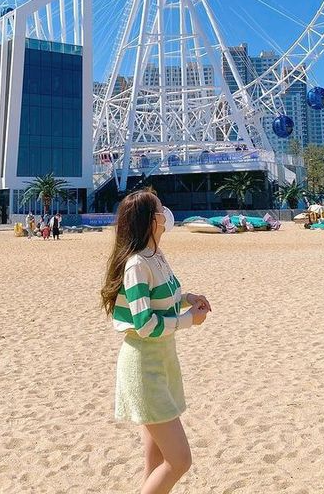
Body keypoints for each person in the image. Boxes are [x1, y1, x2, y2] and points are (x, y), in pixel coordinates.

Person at [100, 190, 211, 493]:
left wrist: (189, 297)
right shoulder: (137, 265)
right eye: (161, 210)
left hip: (163, 363)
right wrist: (190, 320)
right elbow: (145, 324)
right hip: (143, 368)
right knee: (180, 461)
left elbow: (166, 296)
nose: (166, 214)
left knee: (156, 458)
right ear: (151, 220)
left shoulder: (155, 255)